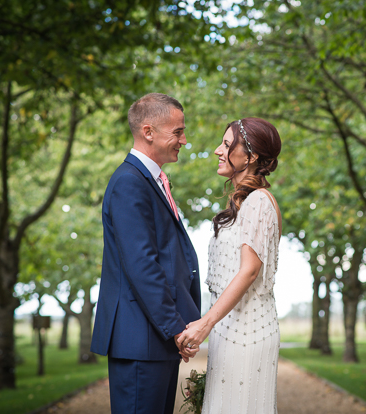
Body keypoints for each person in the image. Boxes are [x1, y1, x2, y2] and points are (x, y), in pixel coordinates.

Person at [90, 93, 201, 414]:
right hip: (141, 339)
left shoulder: (150, 181)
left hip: (154, 340)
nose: (183, 139)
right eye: (177, 131)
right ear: (148, 131)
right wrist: (176, 328)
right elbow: (142, 266)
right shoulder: (130, 182)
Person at [176, 117, 282, 413]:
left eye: (226, 144)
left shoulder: (259, 202)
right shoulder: (243, 203)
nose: (217, 151)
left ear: (251, 156)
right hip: (229, 327)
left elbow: (249, 271)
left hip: (248, 329)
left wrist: (204, 324)